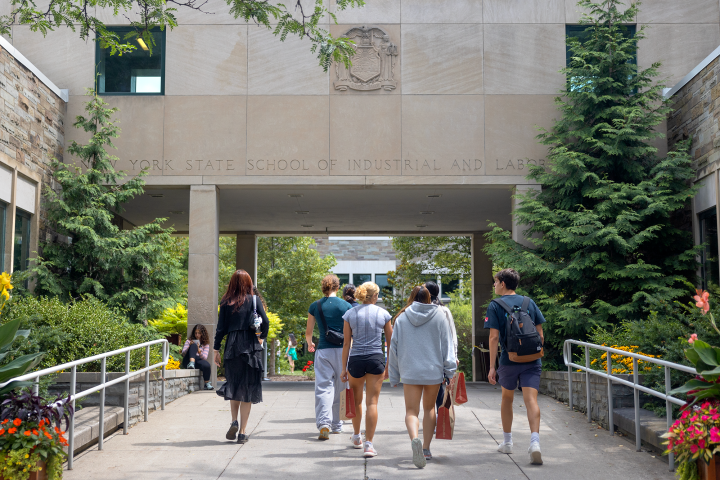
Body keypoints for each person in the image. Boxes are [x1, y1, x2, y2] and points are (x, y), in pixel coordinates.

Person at [388, 285, 456, 469]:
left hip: (410, 371)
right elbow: (447, 345)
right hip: (433, 371)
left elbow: (393, 349)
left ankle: (414, 440)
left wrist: (393, 375)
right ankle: (425, 448)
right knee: (429, 410)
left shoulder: (401, 318)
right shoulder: (440, 316)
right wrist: (450, 372)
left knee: (411, 411)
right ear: (429, 298)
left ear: (411, 297)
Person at [485, 268, 546, 465]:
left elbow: (494, 337)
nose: (494, 285)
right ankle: (535, 442)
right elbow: (540, 335)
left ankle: (508, 442)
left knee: (507, 399)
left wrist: (492, 367)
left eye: (495, 282)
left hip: (509, 361)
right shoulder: (529, 302)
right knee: (531, 400)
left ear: (503, 283)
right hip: (532, 360)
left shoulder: (495, 305)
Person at [214, 269, 269, 444]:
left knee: (234, 385)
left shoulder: (225, 302)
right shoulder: (254, 300)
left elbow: (220, 329)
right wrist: (261, 338)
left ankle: (234, 421)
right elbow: (265, 322)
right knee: (248, 387)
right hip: (250, 346)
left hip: (232, 346)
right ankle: (243, 432)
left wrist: (215, 351)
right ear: (248, 283)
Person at [340, 282, 393, 458]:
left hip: (355, 360)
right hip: (375, 359)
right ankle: (369, 444)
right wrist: (388, 366)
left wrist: (343, 368)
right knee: (372, 402)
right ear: (375, 296)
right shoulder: (384, 314)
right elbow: (390, 343)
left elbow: (346, 343)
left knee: (356, 401)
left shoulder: (349, 314)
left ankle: (356, 437)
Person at [306, 274, 352, 440]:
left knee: (324, 388)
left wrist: (310, 343)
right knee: (341, 388)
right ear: (337, 287)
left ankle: (324, 423)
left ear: (323, 287)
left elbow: (309, 332)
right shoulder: (346, 305)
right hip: (343, 351)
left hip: (323, 350)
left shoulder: (315, 305)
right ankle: (337, 425)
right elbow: (351, 331)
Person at [424, 281, 459, 412]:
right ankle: (438, 419)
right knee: (438, 387)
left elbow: (451, 334)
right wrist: (454, 355)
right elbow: (452, 334)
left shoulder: (441, 310)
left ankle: (438, 419)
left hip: (431, 355)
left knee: (437, 389)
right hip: (441, 354)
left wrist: (454, 355)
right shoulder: (444, 310)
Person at [182, 324, 213, 390]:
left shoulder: (205, 344)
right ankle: (191, 363)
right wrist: (189, 347)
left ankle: (206, 383)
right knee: (193, 345)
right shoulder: (189, 341)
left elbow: (204, 357)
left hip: (198, 360)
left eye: (199, 333)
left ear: (202, 334)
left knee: (207, 365)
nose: (197, 335)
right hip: (187, 361)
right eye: (196, 333)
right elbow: (183, 353)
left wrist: (199, 351)